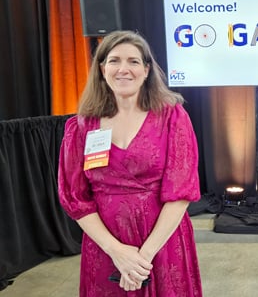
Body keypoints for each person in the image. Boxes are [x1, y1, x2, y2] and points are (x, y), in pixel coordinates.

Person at [58, 30, 202, 296]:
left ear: (146, 70)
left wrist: (141, 259)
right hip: (106, 247)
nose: (123, 69)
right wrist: (117, 252)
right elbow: (75, 198)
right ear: (102, 69)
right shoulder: (80, 127)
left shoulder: (172, 117)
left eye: (133, 61)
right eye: (114, 61)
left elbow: (181, 193)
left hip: (162, 244)